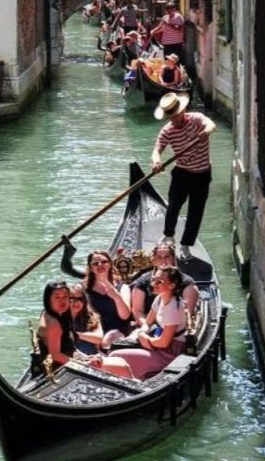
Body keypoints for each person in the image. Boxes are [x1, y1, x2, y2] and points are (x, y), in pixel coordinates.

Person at [151, 92, 217, 261]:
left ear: (183, 110)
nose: (173, 120)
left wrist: (207, 131)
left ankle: (186, 246)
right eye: (170, 117)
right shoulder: (168, 130)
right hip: (182, 173)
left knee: (196, 212)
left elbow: (210, 124)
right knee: (173, 206)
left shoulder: (196, 119)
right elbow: (157, 149)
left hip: (202, 175)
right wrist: (156, 161)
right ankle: (168, 236)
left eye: (176, 115)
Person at [100, 267, 189, 379]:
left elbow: (164, 343)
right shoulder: (160, 298)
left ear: (172, 285)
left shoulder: (174, 309)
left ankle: (129, 382)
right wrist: (142, 332)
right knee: (116, 346)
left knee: (116, 355)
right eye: (153, 279)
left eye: (158, 282)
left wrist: (147, 341)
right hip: (155, 342)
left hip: (169, 353)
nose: (153, 284)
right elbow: (148, 322)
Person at [130, 242, 199, 326]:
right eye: (159, 257)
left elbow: (187, 314)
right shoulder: (143, 281)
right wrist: (146, 327)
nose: (164, 261)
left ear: (173, 259)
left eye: (167, 257)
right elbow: (137, 310)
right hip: (149, 325)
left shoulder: (187, 283)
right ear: (154, 261)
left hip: (175, 326)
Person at [37, 281, 102, 370]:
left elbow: (70, 349)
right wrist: (83, 365)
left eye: (65, 296)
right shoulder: (53, 324)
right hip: (61, 369)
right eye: (57, 297)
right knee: (122, 366)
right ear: (49, 300)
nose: (62, 300)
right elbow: (55, 355)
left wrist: (85, 358)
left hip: (72, 361)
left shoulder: (50, 313)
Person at [83, 250, 133, 345]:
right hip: (93, 334)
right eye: (95, 263)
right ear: (90, 267)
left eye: (104, 261)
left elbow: (125, 316)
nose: (100, 265)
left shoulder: (123, 288)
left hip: (117, 334)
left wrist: (116, 297)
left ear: (110, 264)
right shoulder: (83, 289)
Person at [69, 283, 103, 355]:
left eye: (80, 299)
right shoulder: (60, 318)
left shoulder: (92, 317)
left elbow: (99, 338)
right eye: (72, 299)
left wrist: (76, 334)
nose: (77, 302)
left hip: (92, 356)